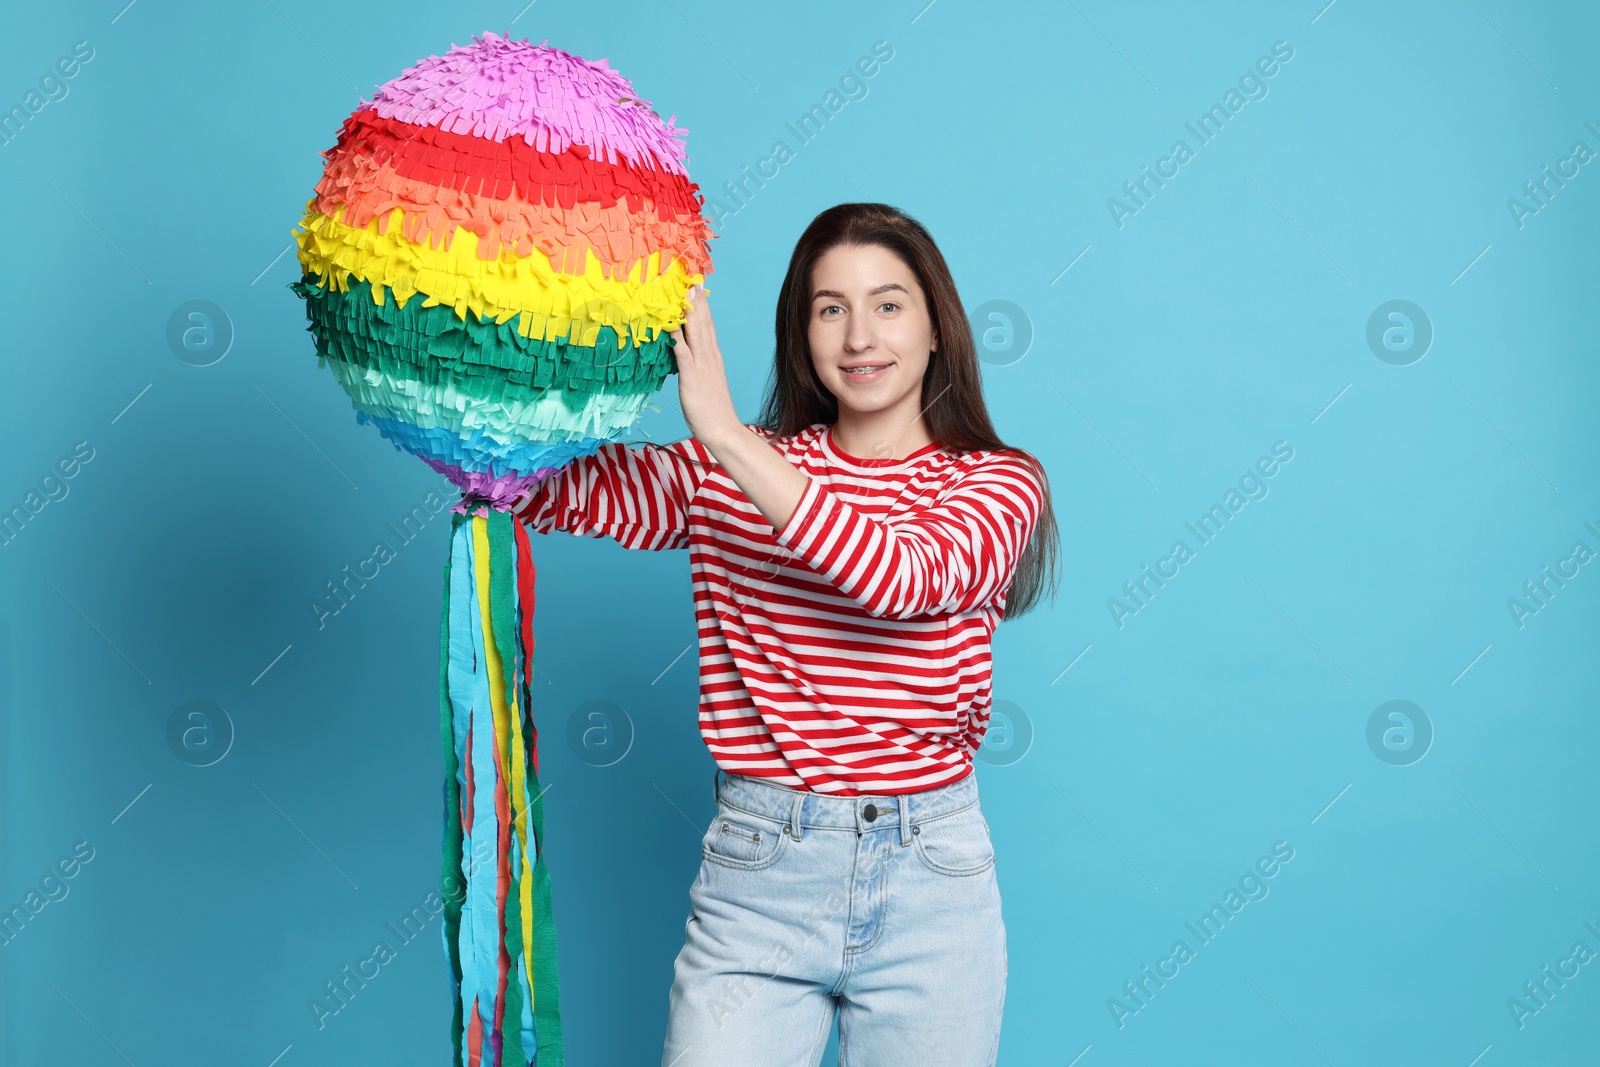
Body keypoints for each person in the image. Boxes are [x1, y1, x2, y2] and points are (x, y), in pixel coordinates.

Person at [513, 202, 1060, 1067]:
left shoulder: (997, 484)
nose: (858, 336)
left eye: (888, 304)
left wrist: (726, 433)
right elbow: (535, 485)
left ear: (934, 328)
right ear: (802, 333)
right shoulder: (720, 475)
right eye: (829, 308)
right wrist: (476, 349)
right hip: (759, 869)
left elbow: (901, 581)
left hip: (933, 878)